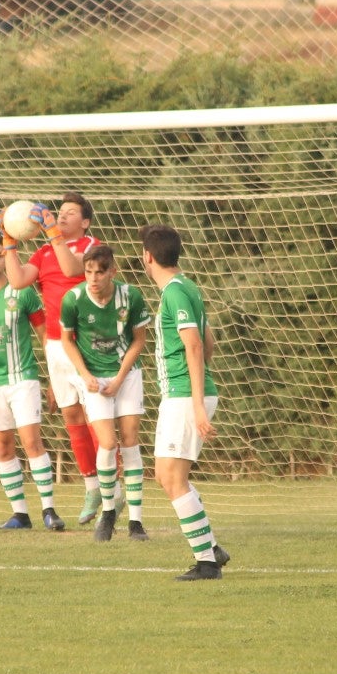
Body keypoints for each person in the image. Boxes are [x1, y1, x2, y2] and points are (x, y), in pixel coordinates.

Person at [2, 192, 104, 525]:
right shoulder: (45, 251)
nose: (61, 217)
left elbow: (72, 267)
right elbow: (17, 280)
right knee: (72, 416)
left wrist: (52, 235)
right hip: (57, 346)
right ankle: (92, 486)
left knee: (98, 417)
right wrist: (9, 241)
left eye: (70, 213)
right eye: (59, 212)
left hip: (88, 343)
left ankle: (111, 485)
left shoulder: (92, 247)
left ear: (85, 222)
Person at [139, 224, 230, 581]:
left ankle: (207, 563)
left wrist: (196, 403)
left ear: (147, 256)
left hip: (183, 396)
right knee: (166, 476)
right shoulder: (187, 286)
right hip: (183, 393)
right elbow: (208, 341)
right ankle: (212, 548)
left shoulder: (175, 293)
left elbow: (194, 345)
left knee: (174, 479)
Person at [0, 233, 65, 531]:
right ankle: (20, 514)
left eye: (0, 254)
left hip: (24, 379)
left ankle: (49, 510)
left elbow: (46, 335)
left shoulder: (23, 292)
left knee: (31, 441)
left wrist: (53, 378)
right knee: (4, 447)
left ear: (7, 258)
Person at [60, 244, 151, 543]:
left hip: (126, 373)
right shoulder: (73, 300)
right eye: (88, 272)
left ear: (113, 270)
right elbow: (68, 341)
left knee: (129, 440)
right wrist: (85, 376)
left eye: (100, 272)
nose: (94, 278)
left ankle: (136, 521)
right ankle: (109, 512)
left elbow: (139, 340)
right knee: (108, 442)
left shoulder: (131, 296)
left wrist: (120, 377)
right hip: (93, 378)